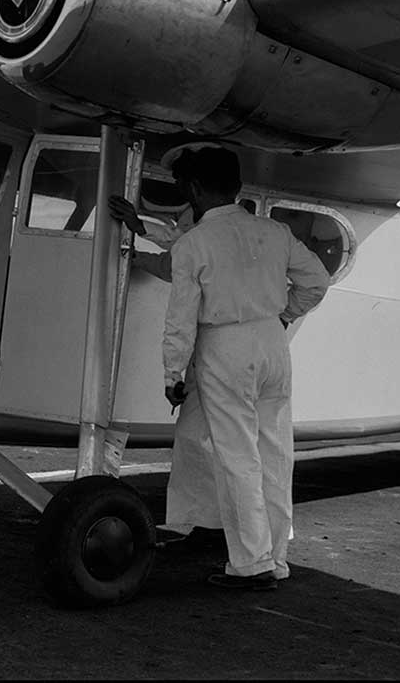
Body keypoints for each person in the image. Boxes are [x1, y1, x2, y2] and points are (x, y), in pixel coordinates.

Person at [162, 147, 329, 590]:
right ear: (236, 187)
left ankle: (251, 564)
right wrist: (284, 314)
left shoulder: (193, 243)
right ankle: (276, 558)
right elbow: (317, 281)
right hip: (273, 341)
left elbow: (181, 317)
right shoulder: (274, 232)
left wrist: (173, 375)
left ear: (195, 189)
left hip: (225, 345)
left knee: (237, 457)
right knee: (275, 454)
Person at [109, 191, 225, 552]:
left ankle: (227, 533)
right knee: (198, 439)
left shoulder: (214, 234)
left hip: (220, 351)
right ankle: (210, 526)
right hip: (220, 352)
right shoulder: (222, 234)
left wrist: (141, 227)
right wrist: (135, 254)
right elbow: (175, 259)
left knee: (219, 441)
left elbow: (184, 252)